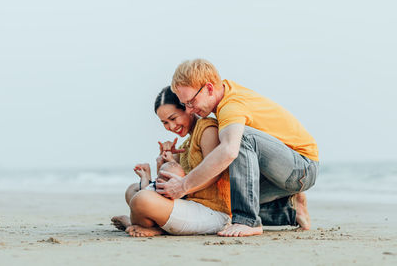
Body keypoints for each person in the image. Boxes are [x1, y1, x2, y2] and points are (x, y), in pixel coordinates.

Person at [156, 59, 319, 237]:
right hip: (275, 172)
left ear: (209, 89)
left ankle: (248, 221)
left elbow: (229, 151)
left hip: (301, 168)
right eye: (185, 104)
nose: (189, 110)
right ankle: (290, 209)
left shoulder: (231, 106)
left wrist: (183, 185)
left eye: (191, 102)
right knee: (223, 199)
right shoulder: (224, 94)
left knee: (238, 138)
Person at [111, 86, 232, 237]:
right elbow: (167, 186)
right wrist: (164, 162)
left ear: (187, 108)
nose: (172, 127)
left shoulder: (207, 129)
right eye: (165, 122)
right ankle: (148, 223)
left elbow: (214, 173)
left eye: (173, 118)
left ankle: (137, 224)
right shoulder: (185, 145)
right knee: (132, 190)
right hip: (189, 204)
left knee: (140, 200)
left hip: (213, 212)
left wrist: (182, 186)